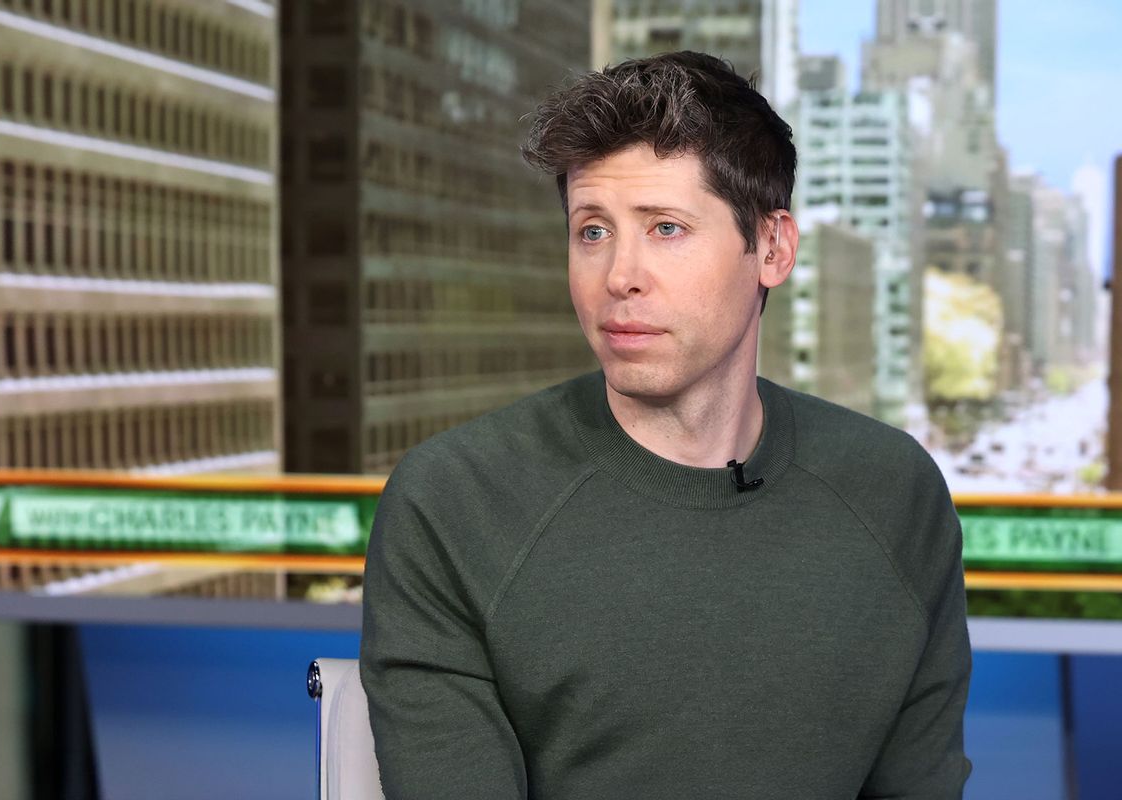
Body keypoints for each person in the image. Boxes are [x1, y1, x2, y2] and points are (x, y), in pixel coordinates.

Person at [360, 51, 971, 799]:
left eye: (666, 228)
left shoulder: (894, 491)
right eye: (592, 231)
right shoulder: (453, 502)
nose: (620, 275)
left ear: (772, 248)